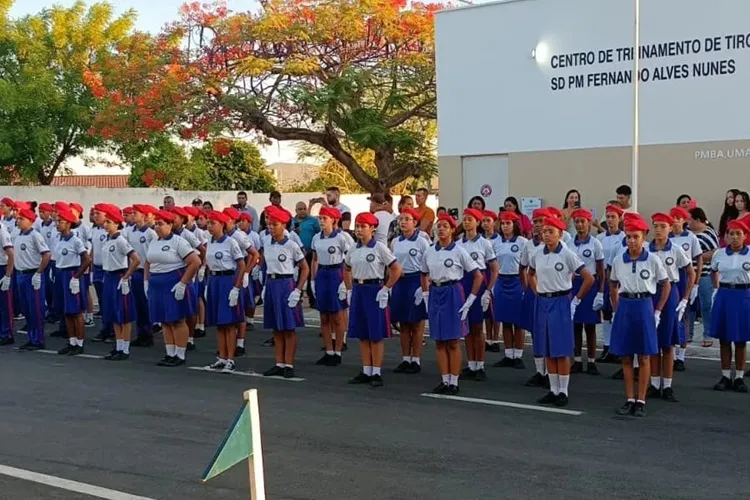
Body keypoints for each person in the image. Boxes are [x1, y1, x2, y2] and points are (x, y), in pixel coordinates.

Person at [528, 217, 593, 407]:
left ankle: (563, 390)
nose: (546, 235)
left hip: (560, 301)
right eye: (545, 231)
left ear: (560, 233)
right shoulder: (537, 253)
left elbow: (588, 278)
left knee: (561, 348)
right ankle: (553, 389)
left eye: (551, 231)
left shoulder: (567, 254)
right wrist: (537, 290)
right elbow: (529, 273)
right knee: (547, 346)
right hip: (543, 301)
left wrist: (575, 301)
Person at [609, 214, 670, 417]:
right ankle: (629, 398)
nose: (632, 241)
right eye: (628, 237)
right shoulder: (619, 259)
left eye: (635, 237)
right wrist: (616, 306)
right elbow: (613, 283)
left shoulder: (652, 259)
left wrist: (658, 310)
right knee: (626, 356)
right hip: (626, 305)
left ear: (644, 236)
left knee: (644, 355)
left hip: (644, 304)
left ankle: (641, 399)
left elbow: (665, 284)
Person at [420, 214, 481, 394]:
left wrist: (471, 299)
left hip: (453, 292)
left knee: (453, 340)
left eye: (445, 226)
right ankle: (444, 379)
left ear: (452, 230)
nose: (441, 229)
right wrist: (425, 294)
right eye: (439, 226)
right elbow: (423, 273)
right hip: (436, 292)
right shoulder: (430, 251)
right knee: (439, 340)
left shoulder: (459, 251)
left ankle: (454, 381)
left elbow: (477, 275)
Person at [344, 212, 403, 387]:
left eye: (363, 226)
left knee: (375, 334)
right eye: (358, 226)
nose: (359, 230)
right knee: (363, 333)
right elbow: (346, 268)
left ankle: (376, 371)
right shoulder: (354, 248)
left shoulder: (379, 247)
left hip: (374, 289)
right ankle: (366, 369)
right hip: (359, 289)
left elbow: (396, 268)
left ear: (372, 228)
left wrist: (386, 288)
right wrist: (348, 289)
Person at [647, 213, 695, 403]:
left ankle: (667, 385)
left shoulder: (675, 249)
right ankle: (654, 383)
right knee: (652, 343)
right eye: (656, 226)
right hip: (650, 292)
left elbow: (691, 273)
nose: (658, 230)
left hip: (670, 293)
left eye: (662, 226)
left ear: (669, 228)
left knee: (668, 342)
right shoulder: (646, 250)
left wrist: (685, 297)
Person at [260, 206, 309, 379]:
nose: (271, 227)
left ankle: (289, 363)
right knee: (276, 327)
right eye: (269, 224)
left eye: (275, 224)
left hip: (286, 284)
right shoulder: (266, 242)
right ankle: (279, 362)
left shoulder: (291, 245)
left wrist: (298, 289)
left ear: (284, 225)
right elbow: (266, 264)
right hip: (272, 283)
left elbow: (304, 268)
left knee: (288, 327)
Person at [147, 210, 200, 367]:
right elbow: (148, 261)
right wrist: (146, 280)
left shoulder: (178, 241)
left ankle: (180, 354)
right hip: (157, 284)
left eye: (161, 224)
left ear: (170, 225)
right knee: (164, 320)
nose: (157, 227)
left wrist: (183, 283)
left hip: (173, 283)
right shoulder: (154, 242)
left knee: (177, 320)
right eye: (156, 224)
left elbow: (195, 261)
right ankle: (170, 353)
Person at [456, 208, 498, 381]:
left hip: (479, 283)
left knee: (477, 327)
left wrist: (488, 290)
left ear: (478, 222)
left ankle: (479, 364)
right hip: (463, 283)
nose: (466, 222)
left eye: (470, 219)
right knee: (466, 327)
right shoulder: (458, 243)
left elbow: (494, 269)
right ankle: (471, 363)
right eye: (464, 219)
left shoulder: (485, 243)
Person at [709, 219, 750, 393]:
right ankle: (725, 375)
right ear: (726, 236)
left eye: (738, 234)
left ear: (745, 236)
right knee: (724, 338)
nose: (734, 237)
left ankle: (739, 376)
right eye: (731, 234)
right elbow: (713, 271)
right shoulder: (719, 254)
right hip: (725, 294)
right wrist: (716, 288)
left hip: (744, 295)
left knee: (740, 339)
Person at [203, 210, 246, 373]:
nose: (209, 227)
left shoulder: (231, 242)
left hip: (228, 280)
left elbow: (241, 264)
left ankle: (230, 359)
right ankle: (221, 357)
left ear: (222, 224)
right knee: (219, 324)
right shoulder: (210, 241)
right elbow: (209, 264)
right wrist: (208, 284)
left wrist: (236, 287)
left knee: (229, 323)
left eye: (212, 223)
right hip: (214, 280)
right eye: (208, 223)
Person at [390, 207, 429, 374]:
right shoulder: (395, 242)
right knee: (403, 323)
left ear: (415, 222)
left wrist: (425, 287)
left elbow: (428, 264)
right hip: (400, 282)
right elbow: (391, 264)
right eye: (402, 219)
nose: (403, 222)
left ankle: (416, 359)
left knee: (417, 323)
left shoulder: (422, 241)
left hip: (416, 281)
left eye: (407, 219)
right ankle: (406, 358)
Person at [311, 207, 351, 366]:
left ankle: (338, 351)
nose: (321, 221)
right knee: (324, 315)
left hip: (336, 273)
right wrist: (313, 280)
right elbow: (314, 259)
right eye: (320, 218)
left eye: (324, 218)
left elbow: (349, 260)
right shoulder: (316, 238)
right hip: (322, 274)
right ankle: (328, 350)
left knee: (337, 315)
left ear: (334, 220)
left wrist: (345, 281)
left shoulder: (341, 238)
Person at [99, 206, 140, 361]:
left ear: (117, 223)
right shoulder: (107, 239)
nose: (105, 225)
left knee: (123, 314)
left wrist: (126, 277)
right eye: (105, 222)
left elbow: (136, 259)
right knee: (114, 314)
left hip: (119, 276)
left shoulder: (121, 240)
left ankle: (125, 349)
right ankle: (118, 346)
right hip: (109, 276)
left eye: (109, 222)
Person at [491, 210, 528, 367]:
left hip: (517, 281)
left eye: (508, 223)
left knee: (518, 321)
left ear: (514, 225)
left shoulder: (522, 242)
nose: (505, 226)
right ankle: (508, 354)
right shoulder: (495, 243)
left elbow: (527, 265)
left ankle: (518, 355)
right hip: (501, 281)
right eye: (503, 223)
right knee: (505, 319)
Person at [569, 208, 604, 375]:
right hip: (574, 283)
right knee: (575, 324)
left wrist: (601, 292)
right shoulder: (569, 243)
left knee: (590, 325)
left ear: (589, 223)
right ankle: (576, 359)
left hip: (591, 284)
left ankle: (591, 360)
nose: (580, 225)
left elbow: (601, 269)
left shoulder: (595, 243)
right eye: (577, 221)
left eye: (583, 221)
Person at [53, 207, 91, 356]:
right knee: (67, 312)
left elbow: (87, 259)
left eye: (61, 222)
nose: (58, 224)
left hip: (72, 274)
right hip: (61, 274)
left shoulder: (75, 240)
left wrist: (76, 277)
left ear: (68, 223)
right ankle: (72, 341)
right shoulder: (59, 239)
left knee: (76, 312)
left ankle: (79, 343)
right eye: (57, 221)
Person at [520, 208, 551, 388]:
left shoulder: (556, 243)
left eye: (542, 221)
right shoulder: (529, 245)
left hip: (551, 293)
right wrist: (528, 289)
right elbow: (523, 268)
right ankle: (540, 371)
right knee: (536, 332)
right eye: (536, 222)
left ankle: (551, 371)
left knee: (549, 332)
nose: (538, 226)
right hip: (535, 292)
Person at [669, 206, 702, 370]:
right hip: (670, 277)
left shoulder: (690, 237)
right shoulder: (667, 238)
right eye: (672, 218)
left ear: (683, 220)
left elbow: (699, 258)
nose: (674, 221)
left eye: (678, 218)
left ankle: (681, 355)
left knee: (684, 314)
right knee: (671, 315)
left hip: (685, 276)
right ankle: (671, 352)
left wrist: (695, 283)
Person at [223, 207, 260, 355]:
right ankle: (228, 343)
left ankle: (240, 343)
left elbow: (254, 254)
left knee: (240, 308)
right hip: (229, 272)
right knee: (230, 308)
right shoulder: (224, 236)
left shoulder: (239, 236)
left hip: (240, 270)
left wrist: (246, 272)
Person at [13, 207, 51, 350]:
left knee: (35, 308)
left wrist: (38, 272)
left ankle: (38, 339)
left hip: (32, 274)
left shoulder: (35, 235)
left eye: (21, 219)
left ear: (30, 221)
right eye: (18, 218)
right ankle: (31, 337)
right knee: (26, 308)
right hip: (20, 275)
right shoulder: (19, 235)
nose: (18, 221)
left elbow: (46, 254)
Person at [171, 207, 206, 351]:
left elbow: (202, 249)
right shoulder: (169, 234)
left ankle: (190, 337)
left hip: (189, 271)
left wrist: (201, 266)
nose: (172, 219)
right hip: (175, 272)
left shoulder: (187, 234)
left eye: (175, 216)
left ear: (182, 219)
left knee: (190, 305)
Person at [596, 204, 626, 363]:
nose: (609, 220)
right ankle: (607, 345)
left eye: (613, 217)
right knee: (606, 313)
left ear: (620, 218)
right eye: (607, 217)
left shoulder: (624, 239)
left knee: (618, 312)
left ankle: (618, 346)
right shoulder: (600, 239)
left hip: (618, 278)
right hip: (605, 278)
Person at [127, 204, 159, 346]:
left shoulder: (150, 234)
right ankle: (140, 333)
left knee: (146, 304)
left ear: (144, 216)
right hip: (135, 271)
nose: (133, 215)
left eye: (136, 213)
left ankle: (148, 333)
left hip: (146, 271)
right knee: (137, 304)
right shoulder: (130, 231)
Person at [688, 207, 719, 347]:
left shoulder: (709, 233)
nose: (688, 222)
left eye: (690, 219)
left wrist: (698, 257)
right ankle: (688, 334)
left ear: (697, 220)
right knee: (689, 306)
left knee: (706, 305)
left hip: (705, 274)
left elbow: (714, 253)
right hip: (688, 274)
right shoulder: (687, 234)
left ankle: (708, 333)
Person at [292, 201, 320, 307]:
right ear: (296, 210)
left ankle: (313, 300)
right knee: (297, 277)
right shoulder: (292, 221)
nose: (303, 211)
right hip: (296, 254)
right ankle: (296, 298)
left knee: (311, 276)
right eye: (300, 209)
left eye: (304, 209)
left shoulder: (313, 221)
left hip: (310, 253)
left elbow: (318, 234)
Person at [0, 223, 14, 346]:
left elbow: (10, 254)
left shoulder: (2, 232)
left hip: (2, 268)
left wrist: (7, 276)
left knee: (5, 304)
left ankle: (7, 333)